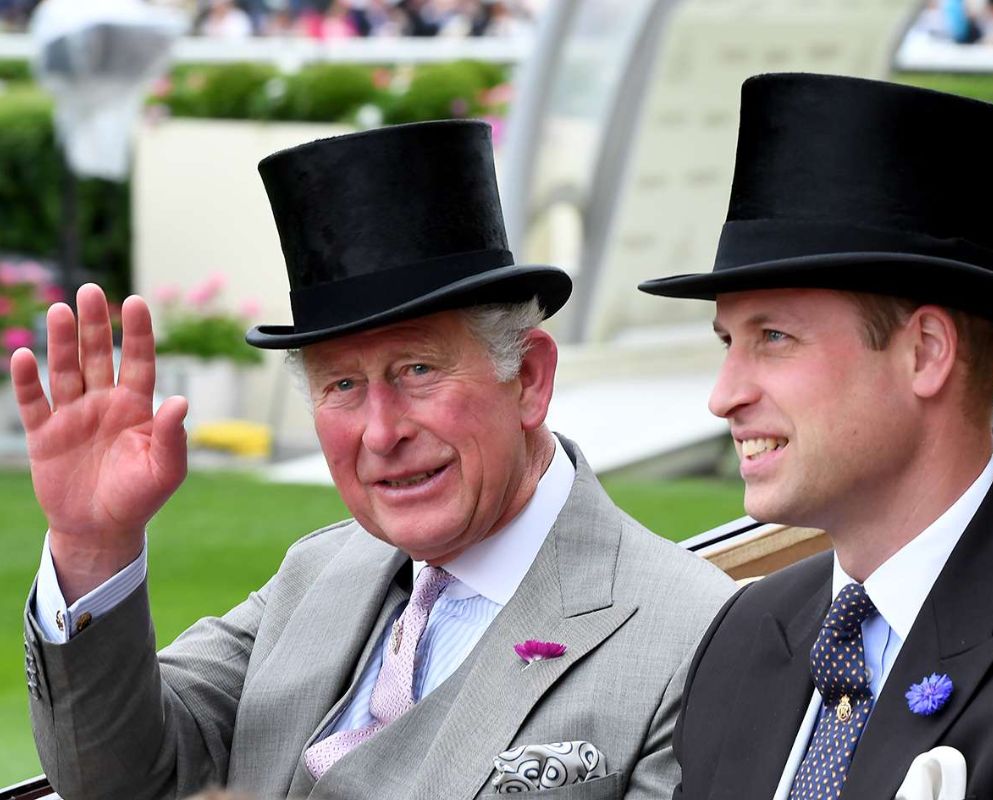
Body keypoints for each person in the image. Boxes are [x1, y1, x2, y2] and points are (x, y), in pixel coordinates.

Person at [15, 120, 734, 799]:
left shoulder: (694, 636)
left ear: (528, 378)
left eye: (418, 369)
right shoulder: (316, 574)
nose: (381, 432)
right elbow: (122, 779)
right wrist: (94, 545)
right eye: (342, 386)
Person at [638, 73, 993, 799]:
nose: (724, 396)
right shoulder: (748, 631)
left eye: (774, 337)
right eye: (728, 342)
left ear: (926, 353)